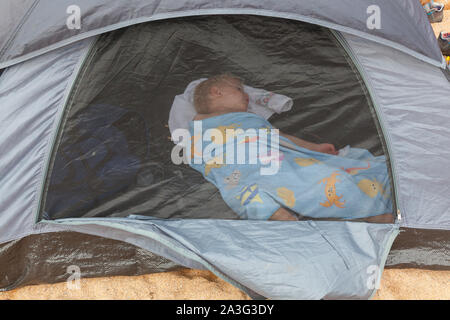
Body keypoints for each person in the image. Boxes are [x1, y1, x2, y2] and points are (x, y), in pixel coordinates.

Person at [189, 74, 394, 223]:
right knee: (238, 181)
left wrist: (315, 147)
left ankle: (375, 210)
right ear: (217, 92)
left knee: (327, 176)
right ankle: (376, 215)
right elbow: (205, 160)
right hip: (239, 166)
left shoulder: (247, 119)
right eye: (239, 89)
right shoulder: (197, 131)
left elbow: (279, 139)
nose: (247, 96)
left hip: (275, 161)